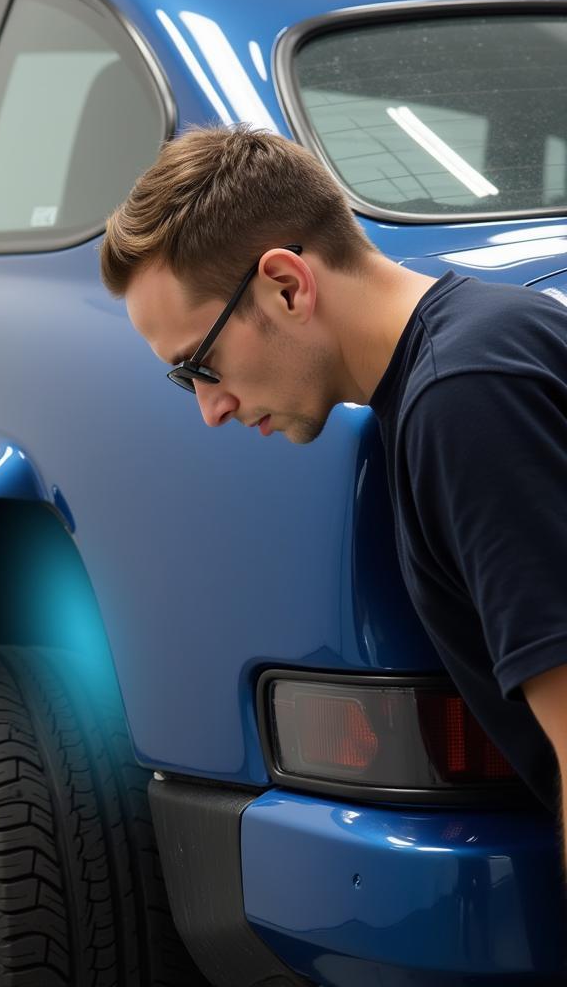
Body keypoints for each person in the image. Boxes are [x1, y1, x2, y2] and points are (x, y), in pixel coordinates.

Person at [100, 123, 567, 837]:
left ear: (287, 286)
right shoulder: (476, 351)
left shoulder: (464, 398)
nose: (210, 409)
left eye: (201, 363)